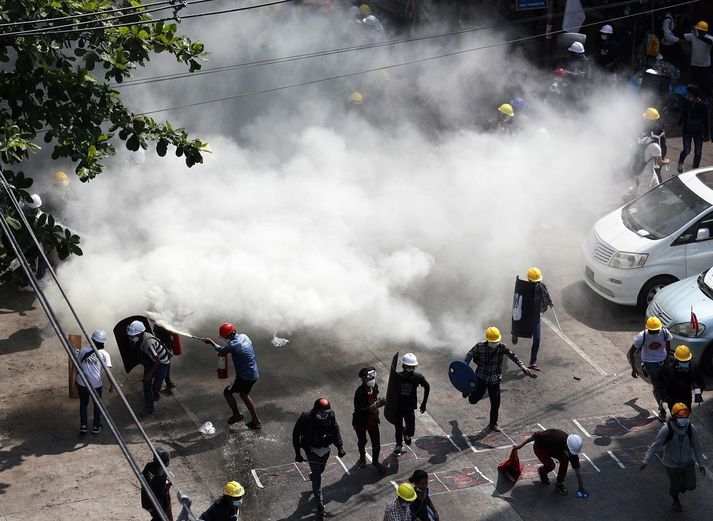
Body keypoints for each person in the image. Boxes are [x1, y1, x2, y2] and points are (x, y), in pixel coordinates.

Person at [464, 327, 534, 432]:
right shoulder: (479, 346)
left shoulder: (502, 347)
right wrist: (465, 368)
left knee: (495, 402)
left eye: (495, 342)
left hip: (494, 379)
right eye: (492, 342)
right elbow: (469, 355)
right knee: (473, 400)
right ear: (487, 340)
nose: (494, 344)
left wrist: (523, 367)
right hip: (481, 377)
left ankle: (493, 423)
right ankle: (469, 392)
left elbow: (513, 357)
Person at [641, 403, 706, 512]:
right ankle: (676, 501)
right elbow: (655, 445)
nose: (683, 420)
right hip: (671, 465)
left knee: (690, 486)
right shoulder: (666, 429)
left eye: (685, 417)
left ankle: (681, 486)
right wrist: (646, 461)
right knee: (675, 487)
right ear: (674, 417)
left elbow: (697, 446)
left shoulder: (691, 428)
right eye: (681, 417)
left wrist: (701, 464)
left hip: (687, 463)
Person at [293, 398, 346, 516]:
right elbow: (296, 434)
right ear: (316, 411)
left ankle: (313, 475)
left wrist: (340, 447)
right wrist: (298, 453)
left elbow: (336, 430)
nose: (324, 416)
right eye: (322, 413)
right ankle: (320, 505)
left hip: (325, 449)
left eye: (326, 413)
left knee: (320, 471)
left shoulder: (330, 416)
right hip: (312, 451)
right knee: (318, 479)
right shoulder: (305, 418)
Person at [203, 323, 261, 429]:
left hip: (244, 376)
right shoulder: (244, 336)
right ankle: (256, 421)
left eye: (224, 337)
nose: (224, 339)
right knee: (244, 395)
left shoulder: (233, 345)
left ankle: (237, 415)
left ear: (228, 336)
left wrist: (211, 342)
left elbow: (220, 350)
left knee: (227, 392)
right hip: (254, 373)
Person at [514, 430, 587, 496]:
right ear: (567, 446)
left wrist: (581, 486)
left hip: (556, 450)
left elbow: (576, 467)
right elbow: (535, 435)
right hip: (541, 448)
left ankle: (559, 484)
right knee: (551, 465)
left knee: (565, 459)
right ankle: (542, 471)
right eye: (570, 451)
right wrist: (520, 445)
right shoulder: (554, 436)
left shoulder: (572, 448)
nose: (571, 453)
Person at [627, 316, 673, 421]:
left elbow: (668, 346)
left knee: (667, 384)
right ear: (647, 329)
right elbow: (631, 352)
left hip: (663, 361)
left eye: (656, 331)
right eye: (652, 331)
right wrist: (634, 369)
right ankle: (662, 410)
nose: (654, 333)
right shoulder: (641, 337)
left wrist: (666, 360)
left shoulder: (665, 333)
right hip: (650, 363)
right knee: (656, 387)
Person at [127, 320, 172, 416]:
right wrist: (131, 340)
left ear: (142, 333)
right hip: (150, 361)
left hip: (162, 363)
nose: (133, 337)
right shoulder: (139, 338)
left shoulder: (149, 343)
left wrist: (149, 374)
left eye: (134, 335)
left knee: (156, 386)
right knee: (146, 385)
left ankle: (156, 392)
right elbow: (132, 348)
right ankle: (149, 407)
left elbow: (157, 360)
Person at [75, 329, 113, 435]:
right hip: (96, 385)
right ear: (103, 342)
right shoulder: (105, 354)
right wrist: (112, 385)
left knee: (83, 404)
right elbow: (108, 372)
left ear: (91, 339)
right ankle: (96, 426)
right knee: (97, 405)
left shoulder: (83, 350)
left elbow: (77, 365)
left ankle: (83, 426)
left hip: (82, 383)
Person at [393, 353, 430, 455]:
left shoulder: (417, 377)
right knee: (398, 428)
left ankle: (406, 432)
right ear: (403, 366)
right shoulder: (397, 377)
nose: (411, 369)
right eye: (409, 367)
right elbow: (391, 392)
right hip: (398, 407)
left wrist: (424, 403)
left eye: (412, 367)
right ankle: (398, 445)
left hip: (410, 407)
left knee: (411, 431)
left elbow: (427, 387)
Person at [352, 367, 387, 473]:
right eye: (369, 378)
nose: (372, 380)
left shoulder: (374, 386)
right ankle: (362, 458)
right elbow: (360, 411)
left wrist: (379, 403)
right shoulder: (359, 393)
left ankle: (375, 462)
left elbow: (374, 398)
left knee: (376, 444)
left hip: (373, 420)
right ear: (363, 380)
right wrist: (375, 406)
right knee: (363, 441)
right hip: (361, 422)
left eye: (373, 377)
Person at [631, 108, 669, 194]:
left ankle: (648, 190)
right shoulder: (660, 127)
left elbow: (647, 142)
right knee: (654, 171)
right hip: (657, 151)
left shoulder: (651, 129)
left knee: (651, 170)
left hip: (653, 152)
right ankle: (655, 190)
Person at [677, 84, 709, 173]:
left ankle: (694, 170)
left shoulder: (703, 106)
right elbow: (684, 115)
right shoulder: (688, 103)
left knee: (698, 152)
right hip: (687, 130)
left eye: (688, 92)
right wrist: (678, 124)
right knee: (687, 150)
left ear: (692, 93)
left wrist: (706, 134)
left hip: (698, 132)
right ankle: (680, 162)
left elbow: (706, 120)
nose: (687, 94)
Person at [526, 267, 553, 371]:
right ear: (529, 280)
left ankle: (532, 362)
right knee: (519, 329)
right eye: (535, 281)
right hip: (525, 315)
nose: (537, 283)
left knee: (537, 338)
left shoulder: (542, 286)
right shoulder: (525, 289)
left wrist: (550, 302)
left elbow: (546, 294)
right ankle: (515, 334)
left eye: (538, 281)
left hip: (535, 316)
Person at [663, 345, 704, 411]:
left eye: (686, 361)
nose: (684, 363)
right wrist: (664, 396)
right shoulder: (670, 369)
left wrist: (698, 393)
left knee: (687, 411)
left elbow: (699, 382)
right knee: (675, 413)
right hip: (673, 396)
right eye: (682, 361)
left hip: (686, 395)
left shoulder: (693, 367)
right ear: (677, 359)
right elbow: (663, 384)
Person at [141, 445, 173, 521]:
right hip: (156, 505)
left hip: (145, 500)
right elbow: (160, 491)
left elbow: (143, 478)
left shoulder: (149, 466)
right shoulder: (163, 473)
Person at [683, 22, 713, 97]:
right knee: (695, 83)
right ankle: (696, 98)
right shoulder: (693, 36)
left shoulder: (709, 38)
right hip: (694, 64)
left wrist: (698, 36)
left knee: (705, 84)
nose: (699, 31)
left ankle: (706, 98)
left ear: (705, 31)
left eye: (700, 30)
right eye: (698, 30)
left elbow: (710, 42)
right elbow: (684, 36)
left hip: (705, 65)